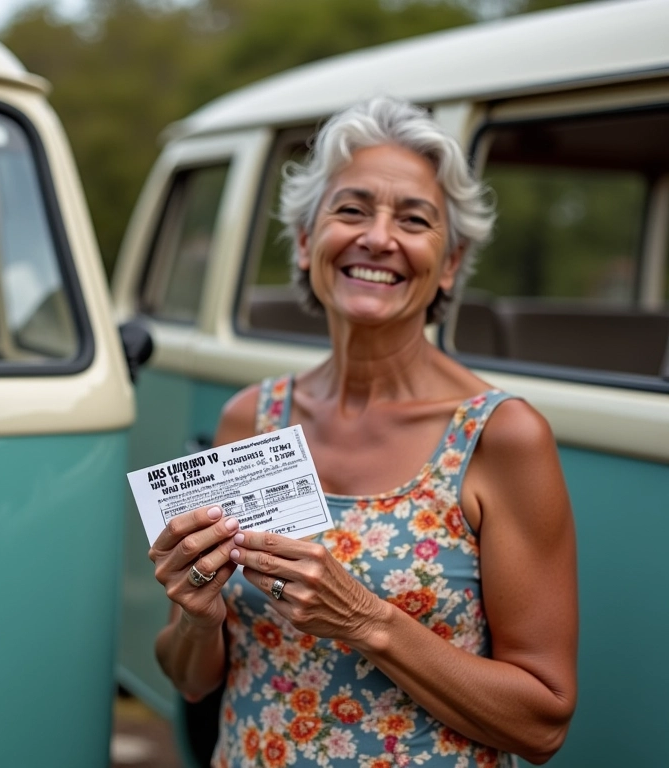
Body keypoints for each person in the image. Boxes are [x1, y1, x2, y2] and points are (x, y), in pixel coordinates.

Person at [149, 96, 578, 768]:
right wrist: (196, 618)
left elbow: (543, 722)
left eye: (413, 219)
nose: (378, 238)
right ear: (304, 240)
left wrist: (367, 620)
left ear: (453, 261)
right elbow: (192, 677)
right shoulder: (250, 420)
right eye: (350, 210)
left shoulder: (501, 437)